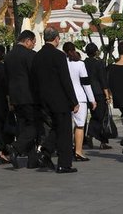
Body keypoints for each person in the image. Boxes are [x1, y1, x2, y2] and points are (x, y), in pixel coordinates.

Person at [31, 27, 79, 173]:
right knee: (64, 130)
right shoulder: (58, 55)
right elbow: (65, 79)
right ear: (57, 38)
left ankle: (45, 152)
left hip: (43, 99)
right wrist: (73, 101)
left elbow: (34, 80)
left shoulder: (37, 56)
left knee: (55, 128)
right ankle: (64, 164)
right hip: (59, 99)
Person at [5, 30, 39, 169]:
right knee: (35, 126)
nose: (34, 45)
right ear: (27, 41)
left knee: (24, 127)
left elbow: (6, 79)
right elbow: (35, 76)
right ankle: (16, 147)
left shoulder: (8, 56)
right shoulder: (30, 55)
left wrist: (9, 98)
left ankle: (32, 160)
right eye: (33, 42)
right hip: (30, 96)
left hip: (15, 97)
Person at [62, 42, 95, 162]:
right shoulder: (80, 64)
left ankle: (67, 149)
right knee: (79, 126)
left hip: (65, 97)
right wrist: (92, 99)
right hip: (80, 98)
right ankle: (78, 151)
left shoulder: (63, 63)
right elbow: (86, 83)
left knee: (66, 126)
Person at [83, 43, 112, 149]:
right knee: (101, 116)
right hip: (98, 92)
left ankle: (93, 136)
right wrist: (107, 95)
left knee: (95, 115)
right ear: (96, 52)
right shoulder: (99, 63)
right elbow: (103, 80)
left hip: (87, 92)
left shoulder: (83, 63)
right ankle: (98, 138)